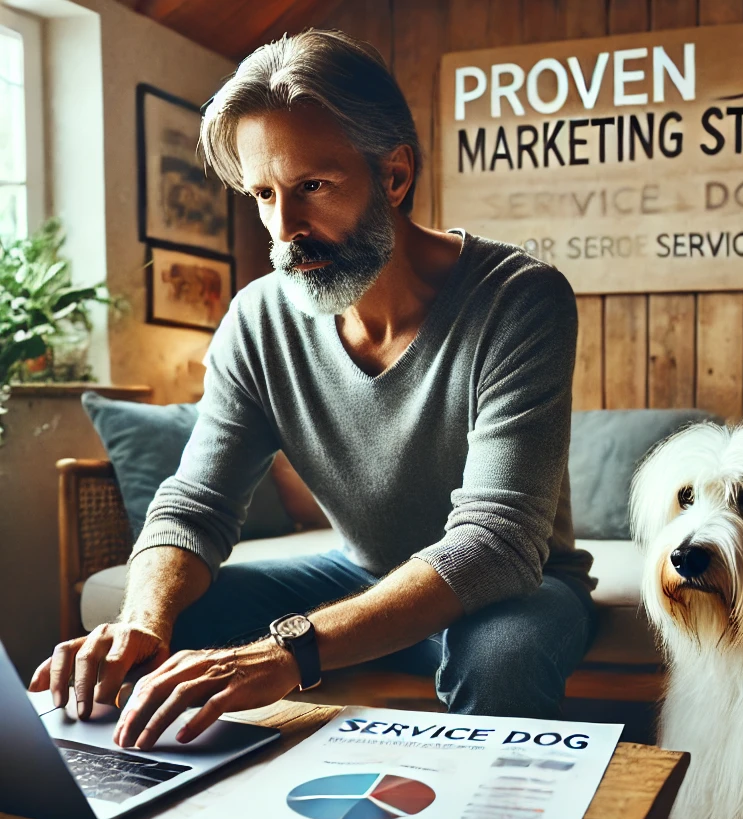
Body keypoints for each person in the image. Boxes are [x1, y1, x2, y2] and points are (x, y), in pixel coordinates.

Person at [31, 29, 596, 750]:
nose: (285, 229)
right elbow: (195, 506)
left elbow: (495, 544)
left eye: (312, 188)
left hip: (515, 588)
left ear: (394, 177)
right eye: (263, 193)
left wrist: (294, 651)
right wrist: (142, 623)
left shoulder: (521, 299)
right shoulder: (258, 319)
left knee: (505, 658)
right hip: (354, 574)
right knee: (172, 629)